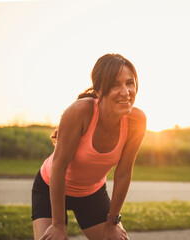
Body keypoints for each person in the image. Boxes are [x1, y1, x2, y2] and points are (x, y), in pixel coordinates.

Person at [31, 53, 146, 240]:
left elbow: (124, 172)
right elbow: (58, 168)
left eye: (129, 83)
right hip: (51, 186)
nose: (125, 92)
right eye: (115, 84)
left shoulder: (136, 120)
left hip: (92, 194)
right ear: (99, 90)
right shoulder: (80, 111)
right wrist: (58, 225)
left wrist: (112, 222)